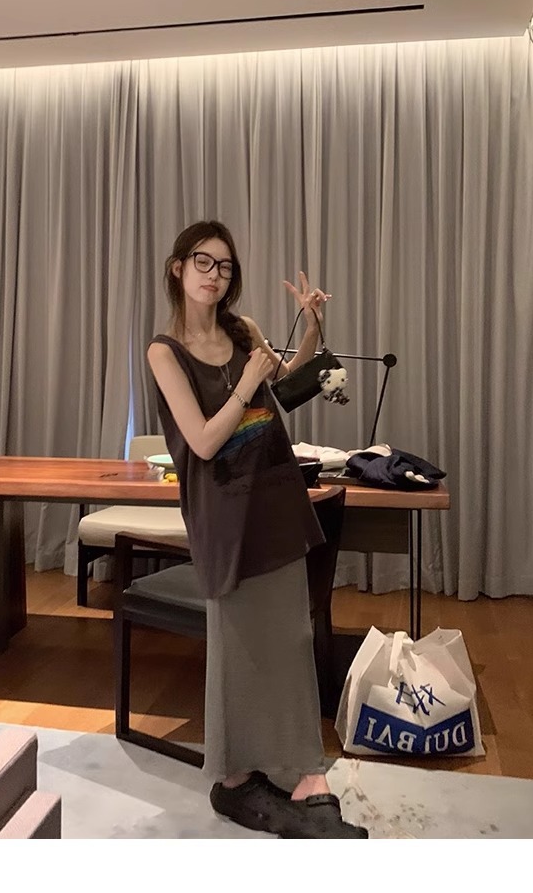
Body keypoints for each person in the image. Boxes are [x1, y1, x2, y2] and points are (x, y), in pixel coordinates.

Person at [146, 220, 368, 840]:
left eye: (224, 267)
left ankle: (301, 768)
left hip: (274, 496)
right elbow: (203, 441)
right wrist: (246, 382)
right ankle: (237, 771)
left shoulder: (241, 330)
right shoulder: (164, 352)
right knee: (239, 645)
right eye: (203, 262)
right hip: (224, 512)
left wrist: (312, 327)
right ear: (178, 268)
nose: (214, 276)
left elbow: (283, 388)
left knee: (291, 636)